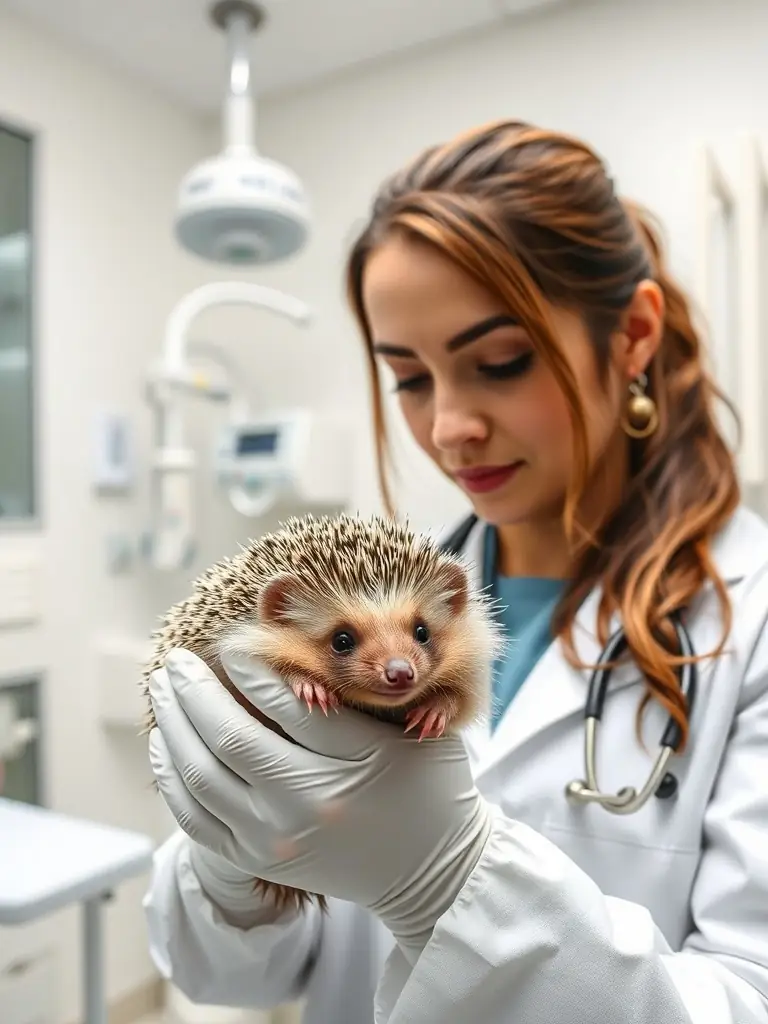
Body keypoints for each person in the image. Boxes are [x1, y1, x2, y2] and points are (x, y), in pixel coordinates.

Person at [142, 120, 768, 1023]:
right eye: (410, 377)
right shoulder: (380, 591)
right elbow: (232, 975)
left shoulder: (751, 619)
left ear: (631, 336)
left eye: (501, 362)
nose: (447, 429)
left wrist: (448, 884)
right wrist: (233, 850)